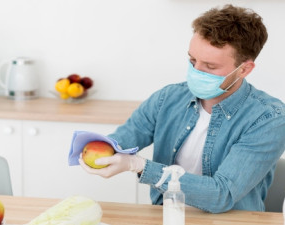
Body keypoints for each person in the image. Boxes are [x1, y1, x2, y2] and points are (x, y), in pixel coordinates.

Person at [78, 4, 285, 213]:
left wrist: (140, 166)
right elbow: (125, 138)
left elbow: (222, 194)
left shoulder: (269, 119)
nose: (196, 71)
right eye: (192, 60)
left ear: (244, 69)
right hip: (167, 217)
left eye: (210, 67)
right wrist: (100, 149)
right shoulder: (168, 98)